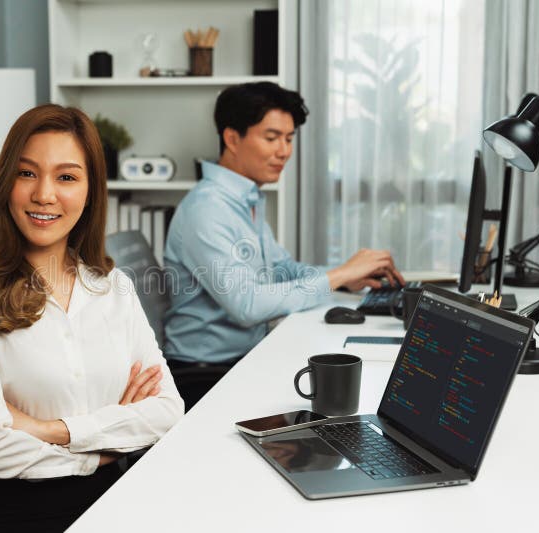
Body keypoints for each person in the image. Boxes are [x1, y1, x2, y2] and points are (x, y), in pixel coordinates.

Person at [0, 104, 184, 532]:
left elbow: (166, 411)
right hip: (23, 515)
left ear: (90, 192)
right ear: (7, 181)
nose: (44, 194)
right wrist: (104, 449)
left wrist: (50, 429)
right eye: (27, 173)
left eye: (66, 177)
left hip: (121, 498)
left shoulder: (113, 287)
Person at [163, 82, 404, 377]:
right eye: (272, 137)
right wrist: (337, 276)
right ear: (232, 139)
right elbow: (247, 305)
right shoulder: (207, 209)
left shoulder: (244, 198)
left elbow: (282, 268)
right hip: (204, 373)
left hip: (245, 357)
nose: (284, 151)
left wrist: (346, 278)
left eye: (289, 139)